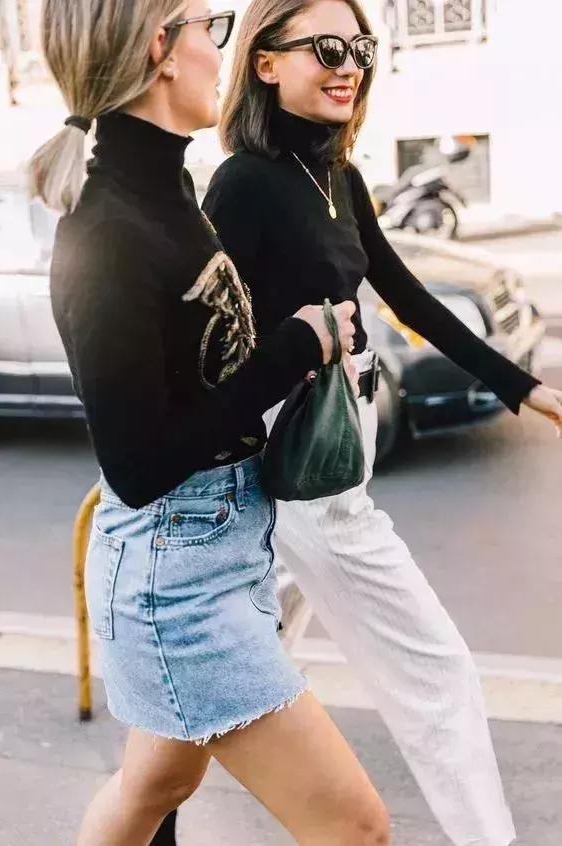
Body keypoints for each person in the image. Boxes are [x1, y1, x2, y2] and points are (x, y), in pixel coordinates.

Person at [29, 2, 396, 844]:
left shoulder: (170, 188)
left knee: (152, 787)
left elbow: (197, 367)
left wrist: (298, 337)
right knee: (359, 828)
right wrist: (292, 349)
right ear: (161, 48)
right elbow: (137, 463)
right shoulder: (107, 230)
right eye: (210, 28)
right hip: (176, 575)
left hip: (226, 542)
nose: (219, 52)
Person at [199, 1, 562, 845]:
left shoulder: (339, 175)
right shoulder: (244, 183)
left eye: (361, 46)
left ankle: (154, 794)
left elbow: (406, 296)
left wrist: (522, 387)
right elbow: (207, 342)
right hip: (302, 460)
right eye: (327, 47)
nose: (349, 64)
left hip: (337, 443)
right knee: (437, 670)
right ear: (264, 63)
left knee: (241, 651)